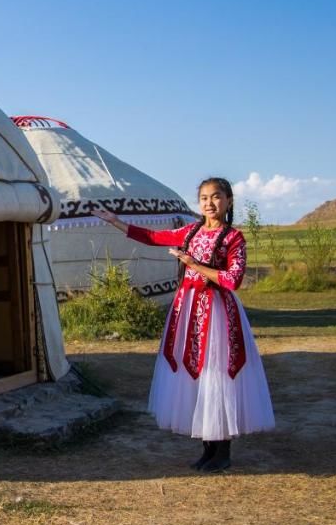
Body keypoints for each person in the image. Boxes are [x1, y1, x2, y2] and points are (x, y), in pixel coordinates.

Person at [91, 177, 274, 471]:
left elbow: (232, 280)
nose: (209, 203)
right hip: (188, 311)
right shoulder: (191, 231)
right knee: (194, 376)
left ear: (228, 200)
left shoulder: (234, 238)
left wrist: (195, 265)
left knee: (216, 375)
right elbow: (153, 238)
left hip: (217, 313)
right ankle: (207, 447)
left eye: (216, 197)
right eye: (204, 198)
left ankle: (222, 451)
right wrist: (116, 221)